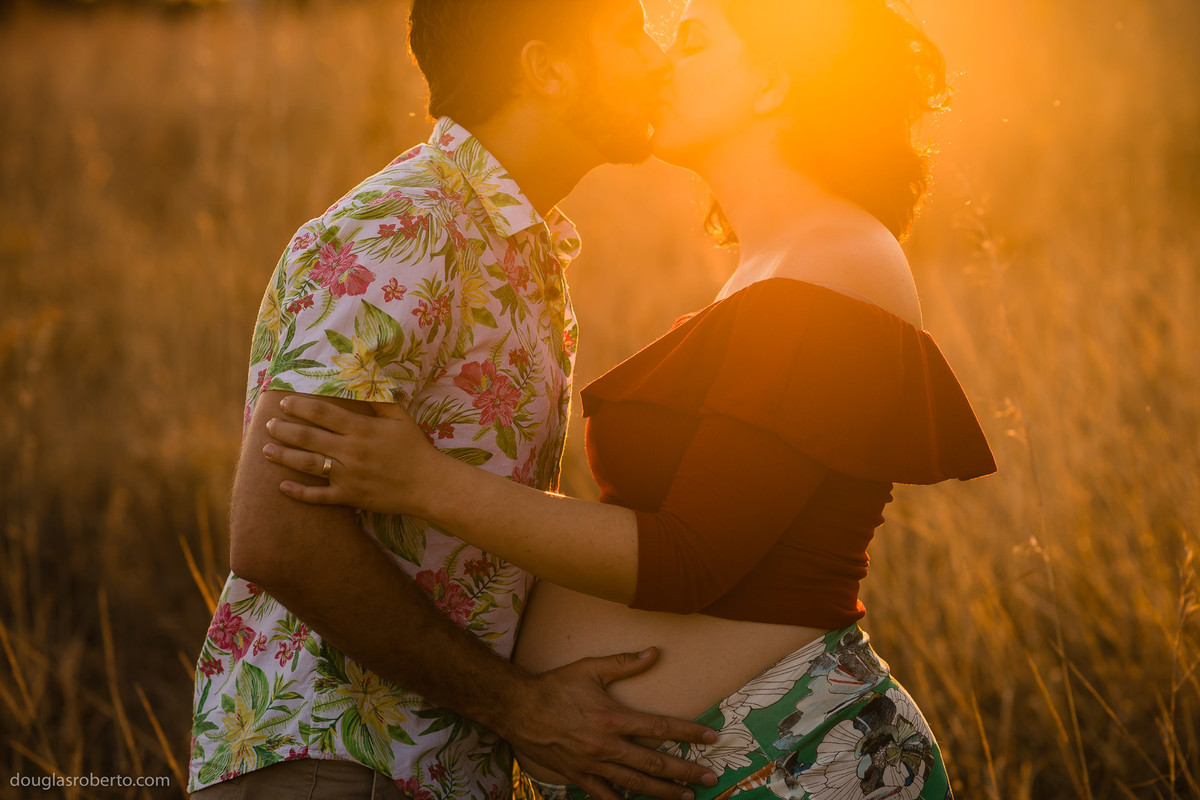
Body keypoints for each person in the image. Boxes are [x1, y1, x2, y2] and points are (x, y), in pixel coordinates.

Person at [263, 0, 998, 798]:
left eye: (691, 38)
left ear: (773, 84)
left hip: (792, 764)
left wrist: (423, 483)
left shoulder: (837, 254)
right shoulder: (774, 266)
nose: (657, 59)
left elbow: (690, 558)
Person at [187, 2, 724, 799]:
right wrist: (517, 706)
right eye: (627, 34)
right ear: (547, 69)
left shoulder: (512, 238)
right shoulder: (400, 226)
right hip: (338, 756)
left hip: (431, 763)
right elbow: (279, 534)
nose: (656, 59)